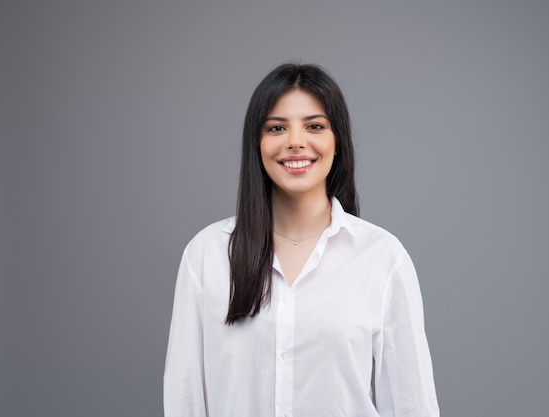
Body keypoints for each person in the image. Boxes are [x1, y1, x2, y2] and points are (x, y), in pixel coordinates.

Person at [163, 63, 439, 417]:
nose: (295, 141)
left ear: (337, 141)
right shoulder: (208, 255)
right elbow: (184, 400)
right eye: (277, 127)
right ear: (257, 144)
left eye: (315, 126)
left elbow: (411, 404)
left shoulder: (383, 259)